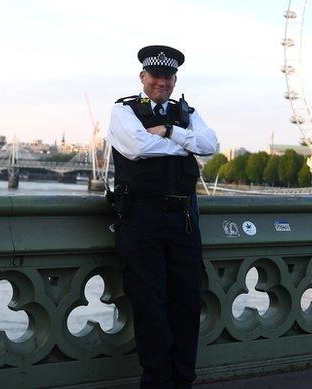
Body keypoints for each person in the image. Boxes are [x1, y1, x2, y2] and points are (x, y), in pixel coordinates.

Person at [107, 45, 219, 388]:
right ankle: (157, 383)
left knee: (186, 304)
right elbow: (139, 147)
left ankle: (183, 380)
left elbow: (211, 144)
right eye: (155, 76)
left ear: (175, 80)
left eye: (168, 77)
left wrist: (170, 132)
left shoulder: (186, 113)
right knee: (150, 306)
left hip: (184, 219)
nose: (162, 83)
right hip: (141, 218)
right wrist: (187, 144)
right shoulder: (123, 110)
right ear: (143, 77)